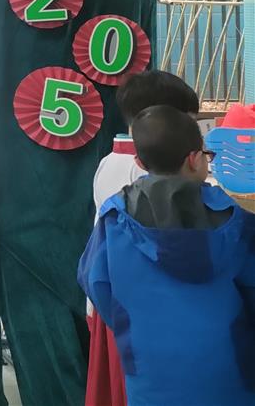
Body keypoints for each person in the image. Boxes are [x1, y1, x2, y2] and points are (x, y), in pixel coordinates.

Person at [78, 105, 255, 406]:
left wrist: (135, 323)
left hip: (149, 371)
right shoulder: (238, 224)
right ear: (194, 159)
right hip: (229, 372)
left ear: (139, 161)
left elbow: (96, 284)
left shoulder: (113, 220)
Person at [85, 70, 199, 406]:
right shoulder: (141, 172)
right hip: (137, 309)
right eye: (189, 124)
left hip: (118, 300)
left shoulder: (112, 161)